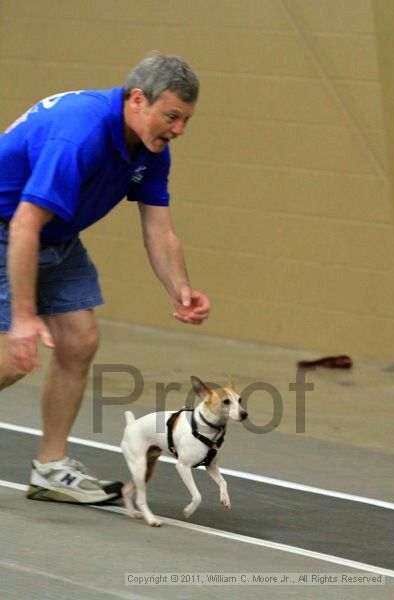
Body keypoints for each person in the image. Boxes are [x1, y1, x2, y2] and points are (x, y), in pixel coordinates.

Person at [0, 52, 210, 504]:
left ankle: (52, 469)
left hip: (57, 234)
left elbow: (159, 228)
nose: (179, 130)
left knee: (79, 340)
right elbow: (23, 225)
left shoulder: (151, 148)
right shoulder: (80, 134)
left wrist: (180, 290)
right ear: (138, 100)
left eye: (186, 120)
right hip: (10, 229)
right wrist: (22, 318)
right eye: (172, 116)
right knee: (10, 358)